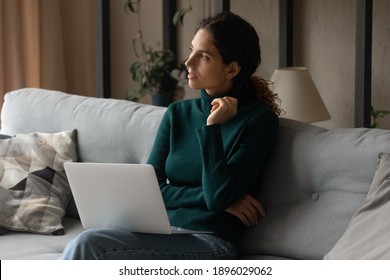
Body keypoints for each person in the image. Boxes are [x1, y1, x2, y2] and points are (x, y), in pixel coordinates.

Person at [61, 11, 281, 260]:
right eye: (191, 50)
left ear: (231, 69)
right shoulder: (177, 113)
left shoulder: (259, 121)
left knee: (90, 244)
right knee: (93, 238)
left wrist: (212, 128)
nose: (188, 62)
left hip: (211, 240)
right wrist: (209, 198)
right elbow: (150, 188)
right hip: (164, 231)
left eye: (203, 56)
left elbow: (219, 195)